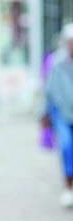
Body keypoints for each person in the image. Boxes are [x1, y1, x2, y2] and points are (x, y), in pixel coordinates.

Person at [42, 23, 73, 208]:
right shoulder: (57, 62)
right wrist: (44, 113)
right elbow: (49, 90)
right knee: (67, 146)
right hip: (61, 113)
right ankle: (68, 186)